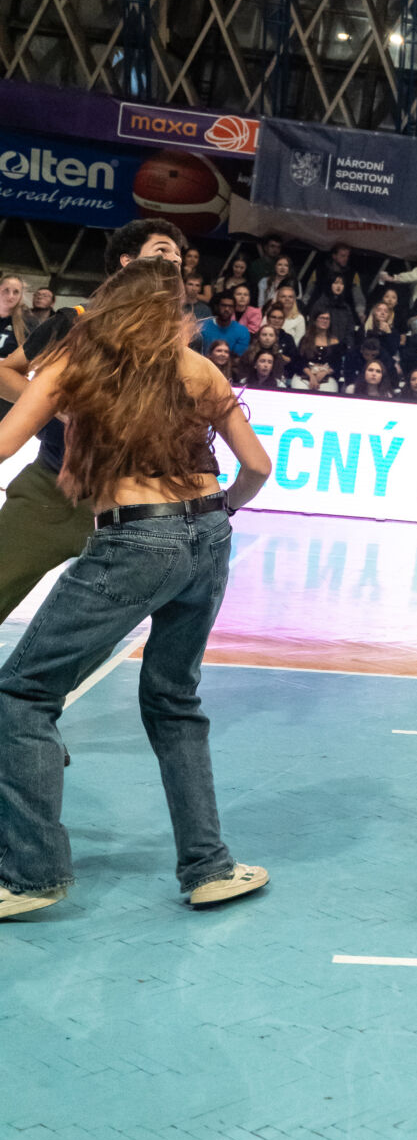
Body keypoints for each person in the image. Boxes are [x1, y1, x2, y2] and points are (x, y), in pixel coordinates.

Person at [0, 257, 274, 918]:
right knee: (174, 700)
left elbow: (4, 444)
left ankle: (33, 874)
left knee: (21, 696)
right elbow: (258, 466)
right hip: (208, 534)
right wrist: (220, 513)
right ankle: (209, 867)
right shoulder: (199, 370)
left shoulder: (78, 365)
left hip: (134, 540)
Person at [0, 222, 192, 625]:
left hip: (135, 507)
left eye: (179, 255)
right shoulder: (76, 321)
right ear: (127, 262)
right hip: (53, 492)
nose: (174, 259)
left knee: (80, 641)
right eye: (162, 250)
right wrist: (55, 407)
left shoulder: (185, 342)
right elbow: (5, 373)